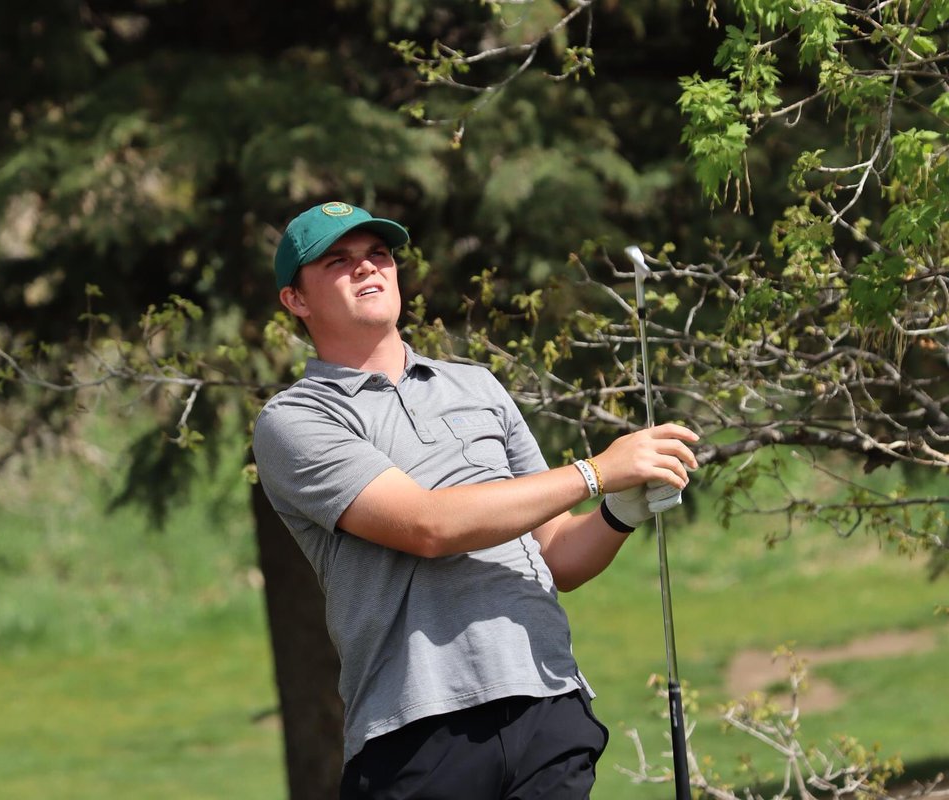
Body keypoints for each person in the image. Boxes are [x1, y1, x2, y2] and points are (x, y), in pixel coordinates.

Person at [252, 201, 699, 799]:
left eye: (379, 254)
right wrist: (596, 472)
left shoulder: (477, 385)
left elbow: (557, 554)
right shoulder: (296, 419)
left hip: (546, 698)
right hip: (417, 728)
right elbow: (427, 526)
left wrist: (618, 512)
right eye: (338, 261)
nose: (367, 268)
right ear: (296, 300)